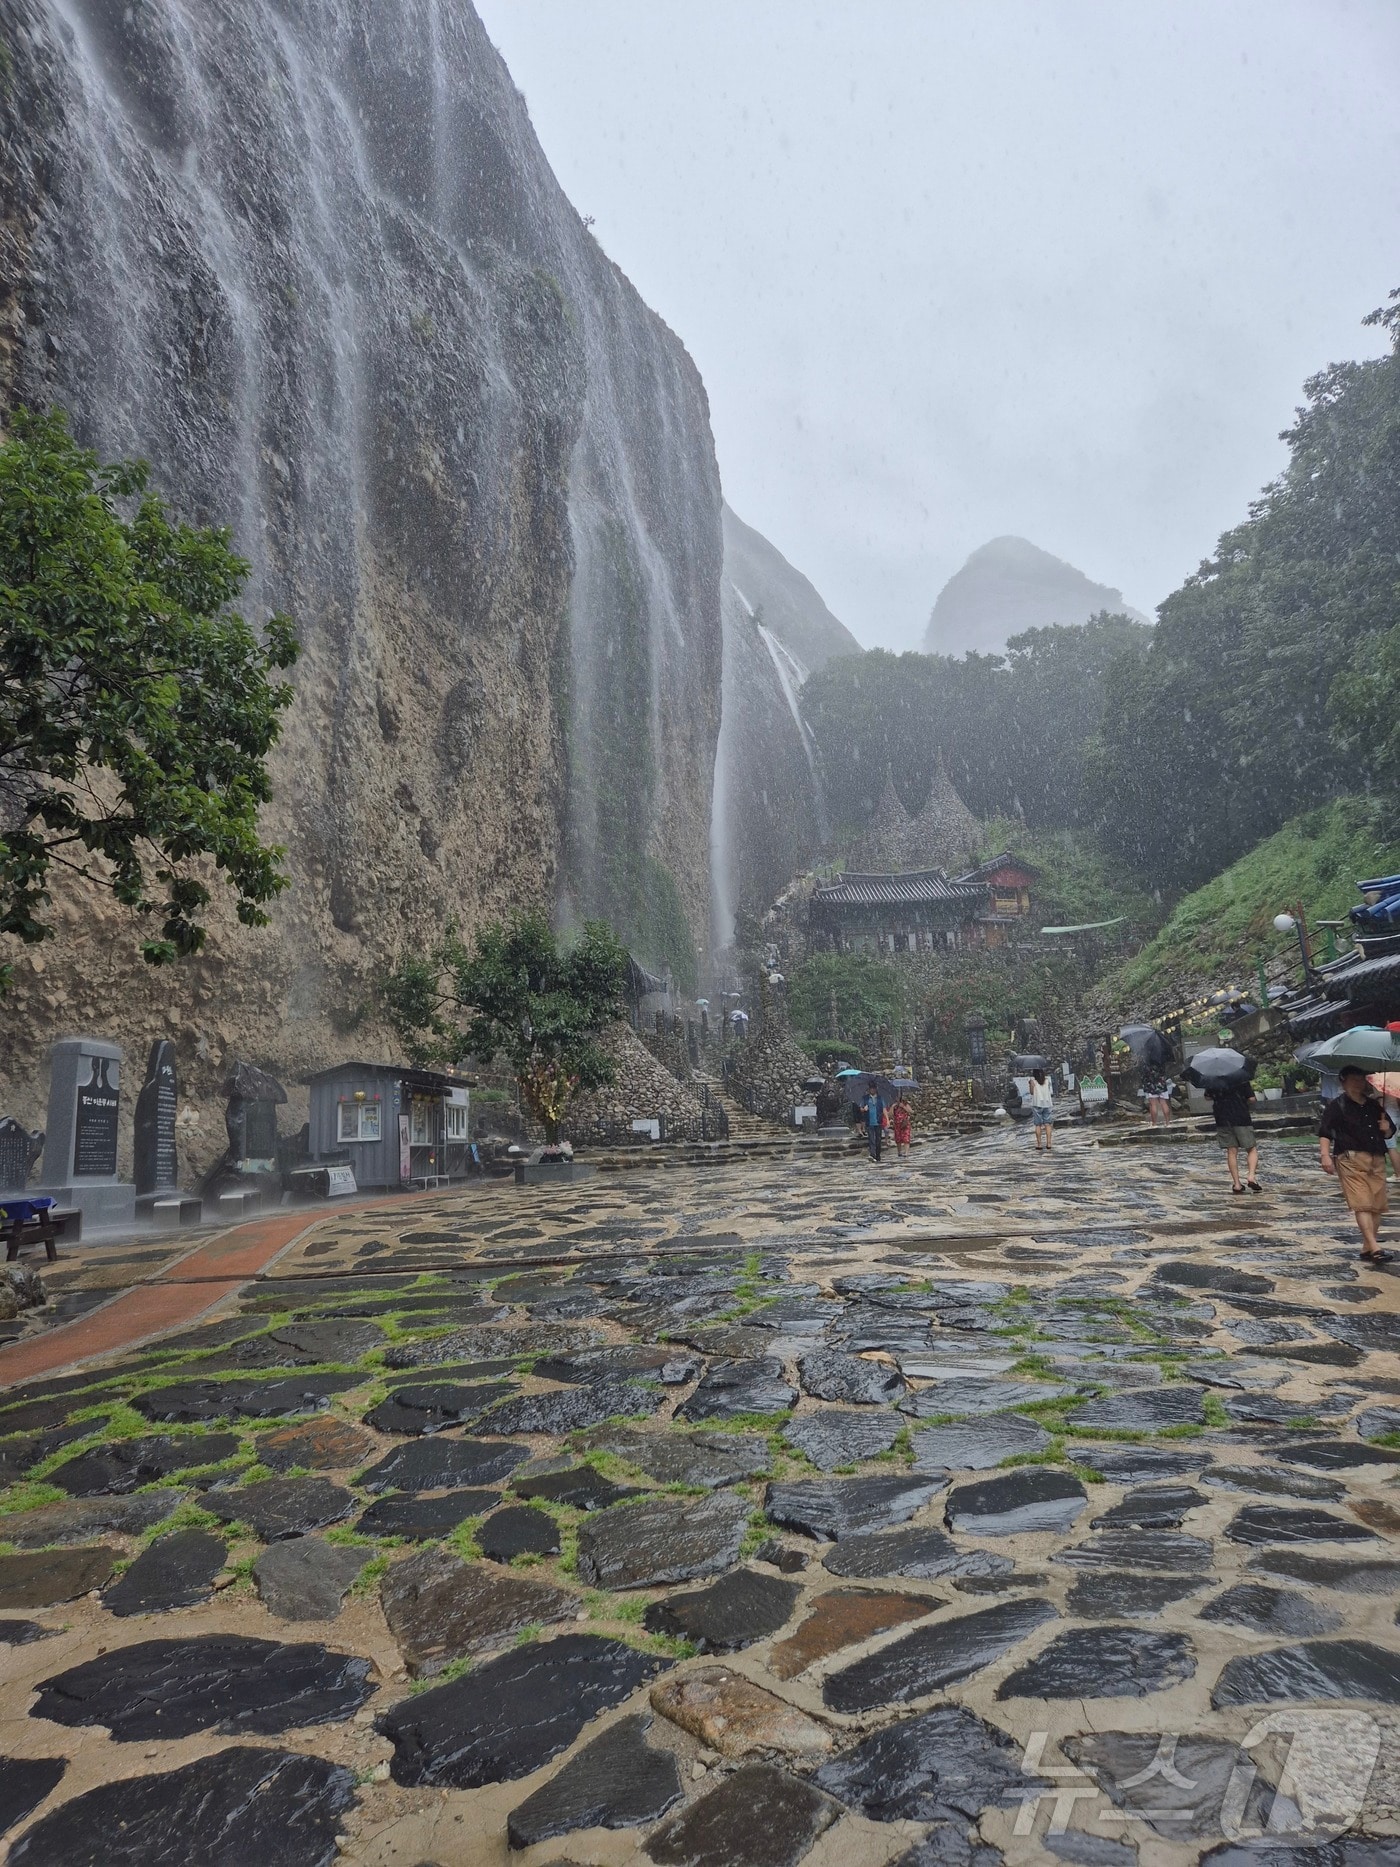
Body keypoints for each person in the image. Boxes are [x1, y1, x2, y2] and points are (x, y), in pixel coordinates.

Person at [1319, 1065, 1396, 1263]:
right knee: (1362, 1204)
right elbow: (1325, 1132)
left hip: (1376, 1158)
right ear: (1343, 1081)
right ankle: (1375, 1246)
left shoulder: (1373, 1106)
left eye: (1361, 1079)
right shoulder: (1337, 1106)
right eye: (1354, 1079)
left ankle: (1367, 1247)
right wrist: (1325, 1156)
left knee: (1376, 1206)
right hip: (1350, 1159)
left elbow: (1389, 1131)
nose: (1359, 1083)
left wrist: (1386, 1129)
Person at [1206, 1075, 1259, 1194]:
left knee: (1231, 1151)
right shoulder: (1241, 1077)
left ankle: (1237, 1184)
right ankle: (1251, 1176)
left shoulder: (1213, 1079)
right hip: (1241, 1117)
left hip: (1222, 1118)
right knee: (1251, 1148)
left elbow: (1207, 1097)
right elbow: (1251, 1098)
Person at [1029, 1066, 1055, 1152]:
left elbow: (1032, 1093)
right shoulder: (1047, 1080)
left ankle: (1039, 1144)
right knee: (1047, 1124)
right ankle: (1049, 1143)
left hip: (1037, 1104)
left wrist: (1031, 1084)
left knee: (1038, 1125)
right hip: (1047, 1104)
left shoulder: (1033, 1081)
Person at [863, 1087, 886, 1162]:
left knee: (878, 1139)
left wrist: (887, 1119)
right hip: (869, 1121)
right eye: (870, 1088)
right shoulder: (865, 1098)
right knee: (871, 1139)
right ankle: (872, 1154)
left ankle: (878, 1155)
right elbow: (861, 1108)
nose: (872, 1090)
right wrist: (864, 1109)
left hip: (878, 1121)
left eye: (873, 1088)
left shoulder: (880, 1099)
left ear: (876, 1089)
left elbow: (884, 1109)